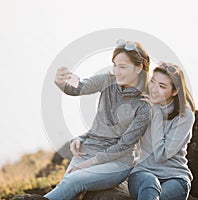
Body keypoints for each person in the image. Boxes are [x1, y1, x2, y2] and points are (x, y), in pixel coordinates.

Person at [44, 39, 151, 200]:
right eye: (114, 65)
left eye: (122, 67)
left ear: (139, 68)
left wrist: (88, 164)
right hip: (86, 151)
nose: (116, 71)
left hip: (117, 164)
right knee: (67, 187)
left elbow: (123, 146)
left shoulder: (144, 105)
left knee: (73, 181)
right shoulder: (107, 80)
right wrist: (61, 81)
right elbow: (79, 86)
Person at [128, 62, 196, 200]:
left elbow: (161, 155)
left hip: (175, 178)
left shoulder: (185, 116)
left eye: (162, 86)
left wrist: (156, 112)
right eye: (153, 82)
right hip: (143, 174)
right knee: (149, 183)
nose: (153, 89)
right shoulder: (143, 104)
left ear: (175, 91)